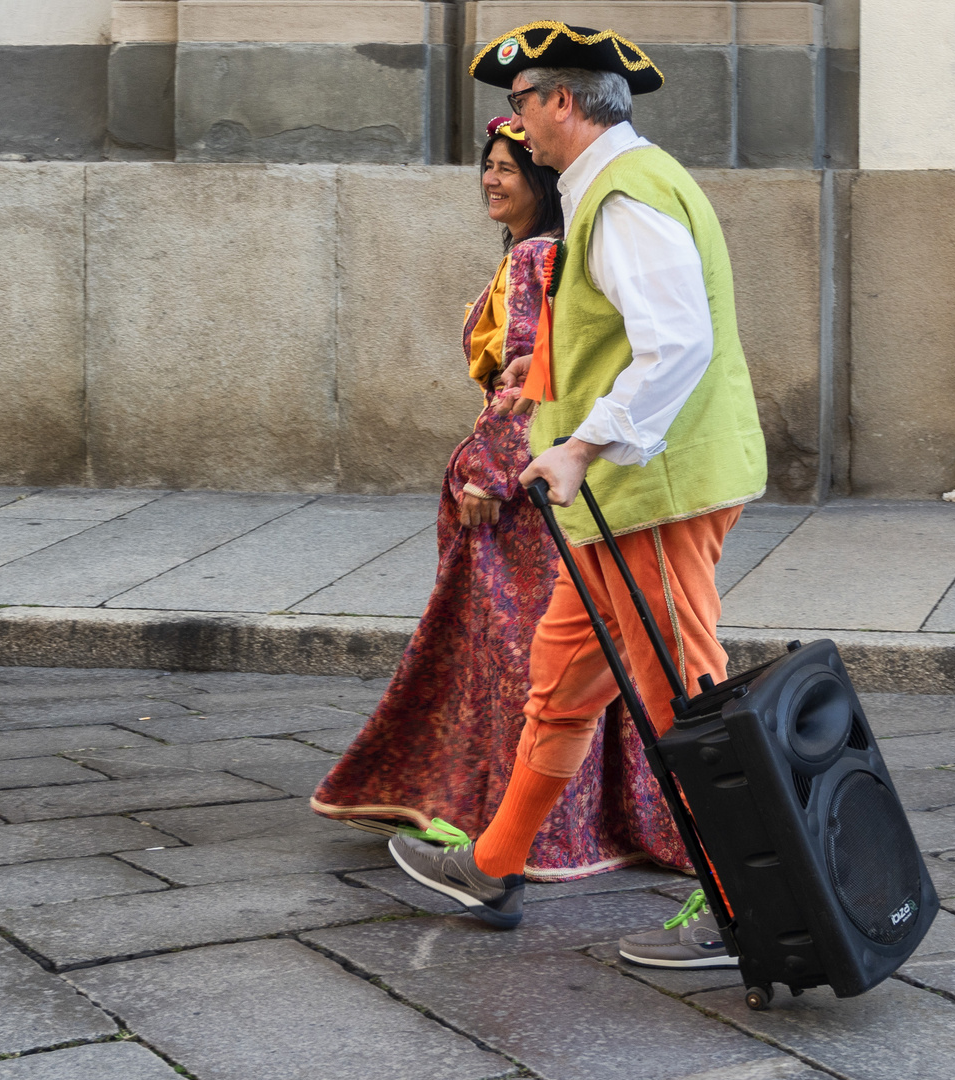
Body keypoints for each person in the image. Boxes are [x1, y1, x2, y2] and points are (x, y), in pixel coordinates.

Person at [385, 21, 767, 971]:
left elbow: (675, 343)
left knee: (683, 693)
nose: (515, 125)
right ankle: (494, 863)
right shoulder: (616, 188)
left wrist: (586, 445)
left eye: (520, 105)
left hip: (654, 491)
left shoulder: (626, 195)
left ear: (560, 102)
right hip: (617, 500)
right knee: (559, 683)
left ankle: (749, 902)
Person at [310, 117, 688, 881]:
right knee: (568, 667)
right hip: (555, 487)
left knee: (526, 664)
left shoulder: (538, 258)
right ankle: (562, 833)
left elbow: (528, 386)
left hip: (520, 500)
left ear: (541, 180)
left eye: (508, 168)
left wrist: (487, 467)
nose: (492, 179)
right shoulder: (547, 252)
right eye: (486, 167)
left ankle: (523, 840)